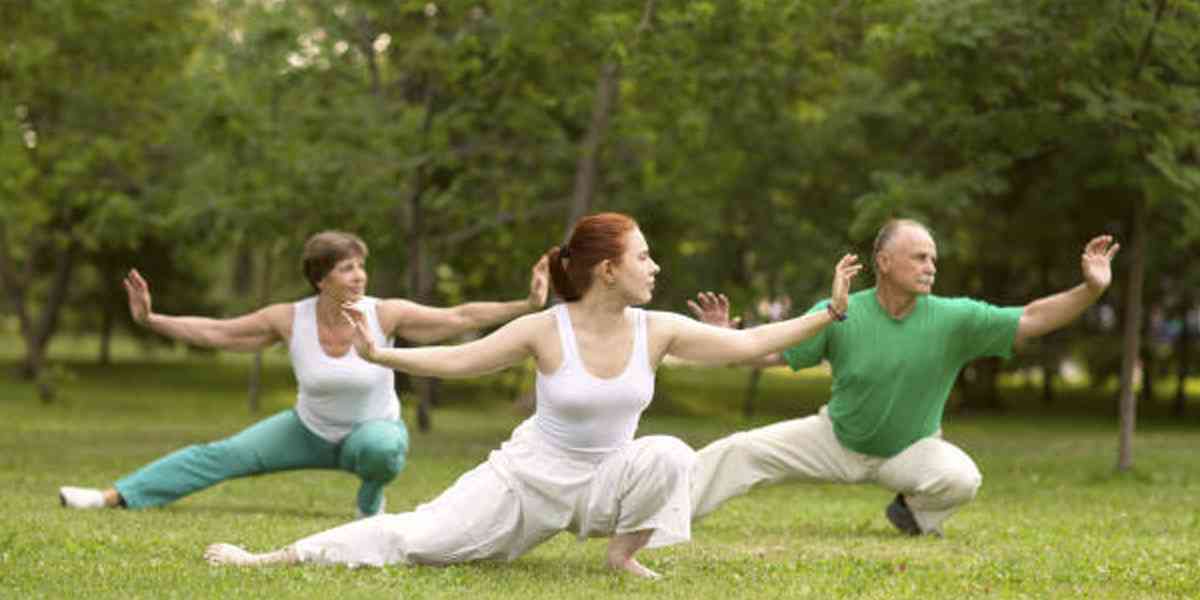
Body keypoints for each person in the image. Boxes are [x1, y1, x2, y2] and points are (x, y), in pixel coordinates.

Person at [203, 212, 862, 577]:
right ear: (608, 270)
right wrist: (381, 353)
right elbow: (461, 358)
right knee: (420, 540)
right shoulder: (545, 329)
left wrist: (828, 312)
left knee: (670, 454)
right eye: (644, 258)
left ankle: (621, 555)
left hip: (604, 480)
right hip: (526, 482)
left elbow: (750, 346)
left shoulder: (658, 330)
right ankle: (274, 556)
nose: (655, 267)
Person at [59, 230, 550, 518]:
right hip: (307, 430)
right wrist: (150, 320)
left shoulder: (387, 313)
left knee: (379, 449)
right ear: (320, 279)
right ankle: (112, 497)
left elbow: (460, 317)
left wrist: (526, 304)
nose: (358, 275)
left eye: (360, 266)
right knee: (217, 455)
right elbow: (218, 333)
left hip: (370, 433)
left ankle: (370, 498)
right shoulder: (288, 318)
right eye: (345, 268)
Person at [687, 219, 1120, 536]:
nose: (930, 265)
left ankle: (911, 514)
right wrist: (726, 340)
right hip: (835, 439)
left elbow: (1030, 318)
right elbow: (775, 353)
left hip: (910, 451)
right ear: (884, 261)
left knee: (962, 478)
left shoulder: (955, 319)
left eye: (933, 257)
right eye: (919, 256)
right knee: (740, 449)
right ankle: (665, 512)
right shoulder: (841, 310)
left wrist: (1091, 291)